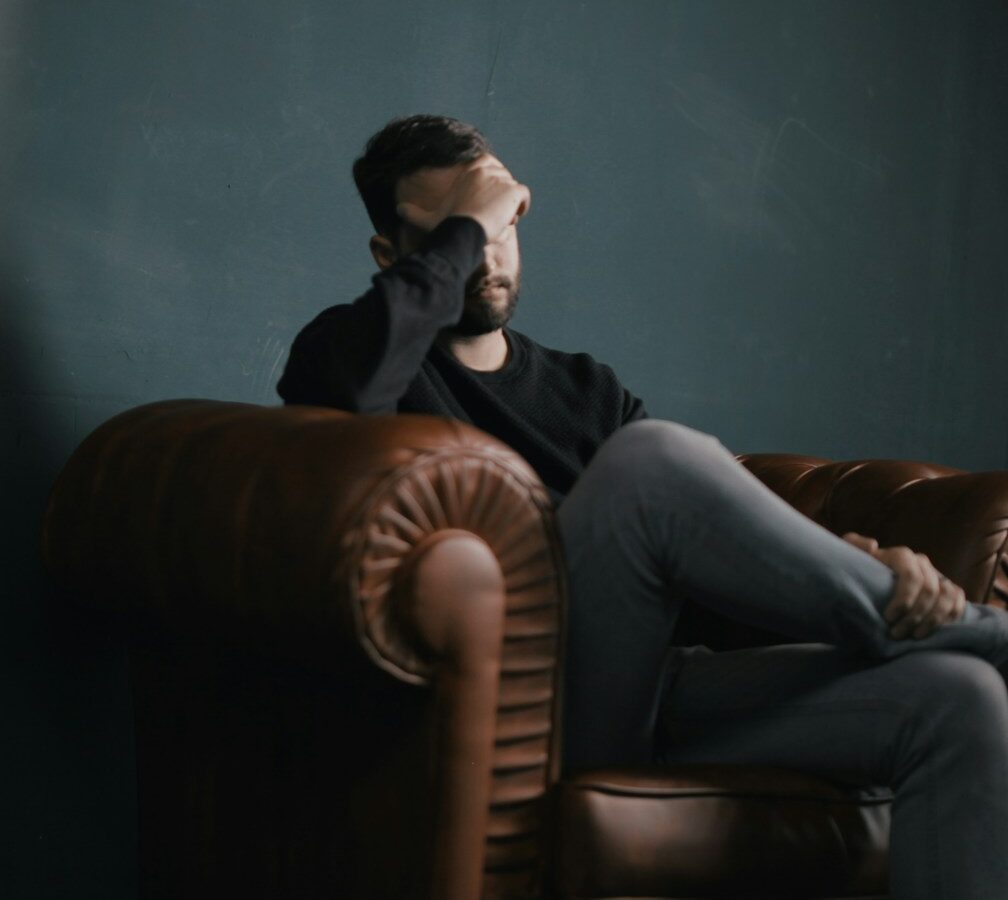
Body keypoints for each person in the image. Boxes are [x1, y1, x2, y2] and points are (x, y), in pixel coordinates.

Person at [276, 114, 1008, 900]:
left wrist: (849, 560)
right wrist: (472, 217)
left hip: (659, 692)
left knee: (961, 702)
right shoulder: (351, 354)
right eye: (460, 230)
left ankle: (936, 631)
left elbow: (707, 550)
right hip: (533, 711)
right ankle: (975, 632)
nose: (486, 252)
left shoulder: (587, 388)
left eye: (502, 222)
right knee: (651, 461)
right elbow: (344, 398)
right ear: (392, 255)